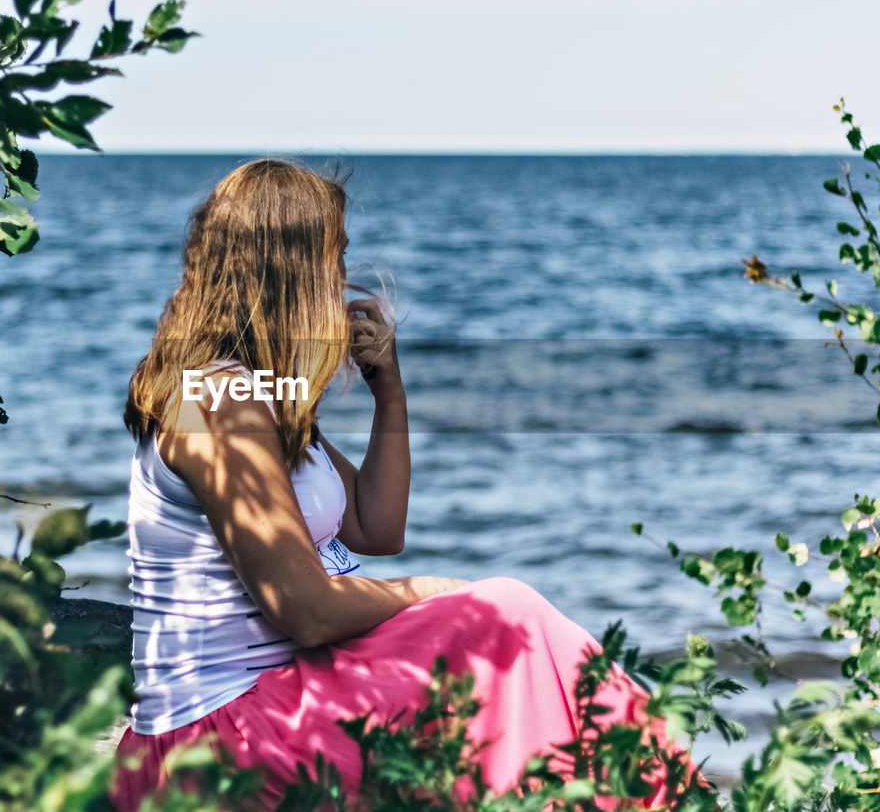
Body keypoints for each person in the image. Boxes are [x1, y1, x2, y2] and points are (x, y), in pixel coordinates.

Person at [110, 158, 695, 810]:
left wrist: (389, 390)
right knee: (509, 616)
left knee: (515, 629)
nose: (340, 279)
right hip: (226, 733)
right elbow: (306, 611)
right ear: (291, 268)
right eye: (334, 257)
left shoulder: (254, 393)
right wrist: (426, 593)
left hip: (281, 693)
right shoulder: (218, 400)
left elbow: (376, 526)